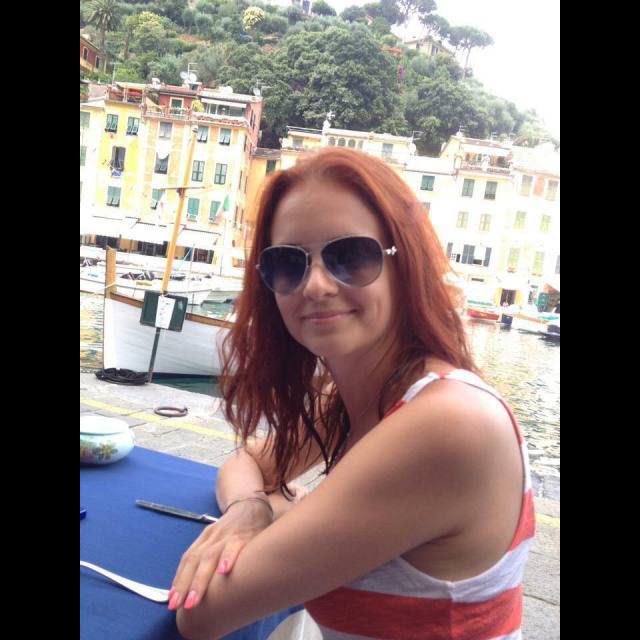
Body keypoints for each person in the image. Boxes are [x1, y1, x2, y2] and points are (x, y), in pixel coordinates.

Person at [171, 148, 536, 640]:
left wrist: (283, 510)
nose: (316, 285)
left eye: (349, 256)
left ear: (404, 263)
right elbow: (247, 463)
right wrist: (249, 509)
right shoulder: (360, 398)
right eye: (288, 263)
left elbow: (203, 614)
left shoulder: (448, 424)